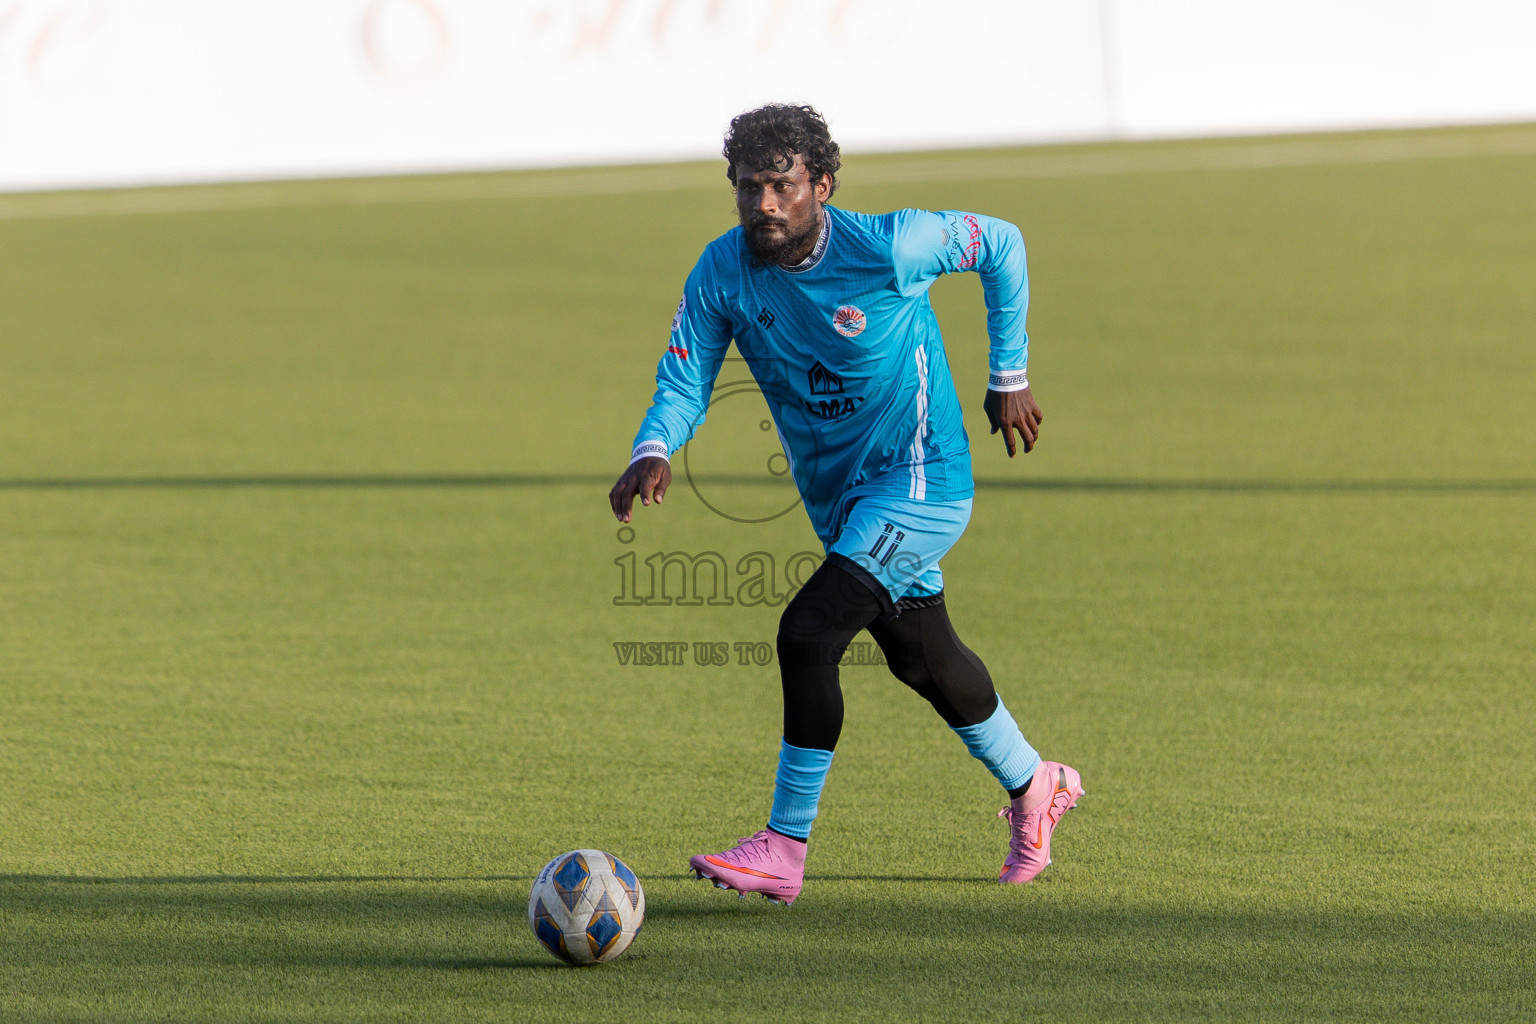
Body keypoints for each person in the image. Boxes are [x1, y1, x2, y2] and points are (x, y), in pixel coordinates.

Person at [609, 104, 1082, 906]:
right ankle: (1037, 784)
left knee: (809, 631)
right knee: (921, 658)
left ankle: (783, 848)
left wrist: (1009, 375)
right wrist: (652, 446)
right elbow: (686, 379)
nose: (764, 204)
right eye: (748, 187)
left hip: (923, 481)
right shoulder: (721, 272)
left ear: (821, 185)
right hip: (843, 501)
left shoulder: (892, 244)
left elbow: (1001, 242)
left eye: (782, 186)